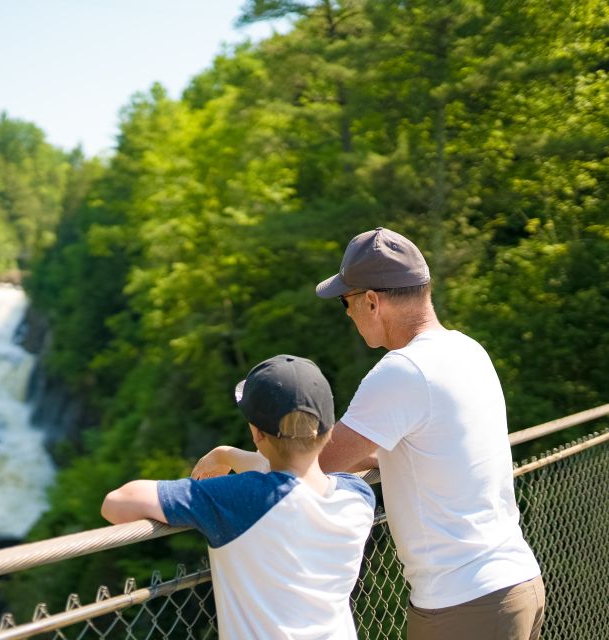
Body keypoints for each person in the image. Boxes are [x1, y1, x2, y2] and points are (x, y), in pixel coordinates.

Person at [193, 227, 545, 640]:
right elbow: (419, 449)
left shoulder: (404, 371)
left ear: (372, 301)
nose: (346, 313)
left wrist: (229, 456)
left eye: (347, 301)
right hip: (517, 583)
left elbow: (306, 467)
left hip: (464, 605)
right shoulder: (467, 350)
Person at [101, 355, 375, 640]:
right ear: (330, 429)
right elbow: (290, 477)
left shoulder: (243, 499)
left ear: (257, 434)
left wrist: (224, 457)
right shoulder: (357, 497)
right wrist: (226, 454)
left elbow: (117, 504)